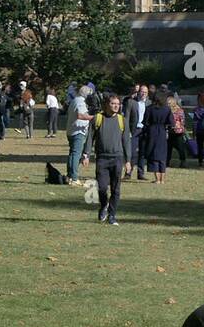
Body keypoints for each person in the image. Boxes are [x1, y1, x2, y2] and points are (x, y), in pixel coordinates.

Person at [89, 93, 130, 225]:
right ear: (106, 104)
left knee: (116, 189)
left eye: (118, 104)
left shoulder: (122, 120)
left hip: (117, 158)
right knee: (101, 187)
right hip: (102, 158)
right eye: (113, 103)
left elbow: (126, 141)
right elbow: (90, 137)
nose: (115, 106)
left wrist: (128, 160)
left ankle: (112, 216)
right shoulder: (97, 118)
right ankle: (103, 206)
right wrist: (85, 154)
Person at [139, 92, 172, 184]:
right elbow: (171, 123)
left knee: (153, 154)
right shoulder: (167, 109)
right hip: (162, 131)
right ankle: (162, 179)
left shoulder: (149, 108)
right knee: (162, 155)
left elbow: (145, 121)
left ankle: (157, 179)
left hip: (152, 131)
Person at [66, 86, 91, 184]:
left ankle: (70, 176)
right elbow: (80, 115)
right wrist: (93, 117)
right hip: (78, 131)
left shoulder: (74, 100)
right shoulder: (80, 102)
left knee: (72, 154)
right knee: (76, 154)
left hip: (71, 130)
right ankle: (74, 178)